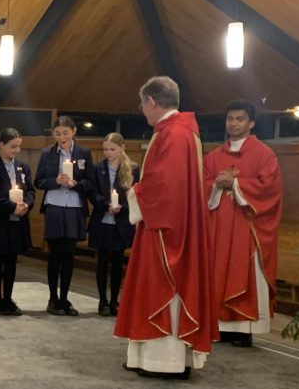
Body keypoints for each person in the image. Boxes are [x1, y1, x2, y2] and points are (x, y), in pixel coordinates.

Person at [115, 76, 215, 380]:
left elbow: (164, 186)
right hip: (176, 224)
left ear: (152, 102)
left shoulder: (173, 133)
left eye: (142, 105)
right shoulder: (182, 131)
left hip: (166, 230)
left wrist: (135, 192)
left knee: (161, 288)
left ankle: (164, 362)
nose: (143, 111)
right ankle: (152, 358)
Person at [205, 99, 283, 348]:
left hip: (246, 228)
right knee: (217, 272)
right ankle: (218, 325)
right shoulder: (214, 156)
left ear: (251, 123)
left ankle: (243, 330)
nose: (234, 123)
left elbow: (269, 189)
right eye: (230, 119)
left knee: (244, 272)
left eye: (240, 119)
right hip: (219, 227)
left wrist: (236, 184)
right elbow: (201, 184)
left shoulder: (264, 154)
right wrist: (215, 185)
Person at [34, 116, 95, 317]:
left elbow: (90, 182)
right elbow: (39, 181)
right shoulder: (47, 153)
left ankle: (65, 298)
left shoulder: (84, 153)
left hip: (74, 207)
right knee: (55, 253)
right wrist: (56, 181)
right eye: (58, 133)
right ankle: (53, 298)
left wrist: (76, 184)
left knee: (69, 254)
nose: (62, 137)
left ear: (74, 131)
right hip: (54, 205)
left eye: (65, 133)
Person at [0, 127, 35, 316]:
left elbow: (30, 191)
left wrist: (26, 204)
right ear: (1, 145)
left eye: (19, 147)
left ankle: (8, 298)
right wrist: (11, 206)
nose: (17, 150)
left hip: (18, 220)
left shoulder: (22, 167)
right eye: (13, 147)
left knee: (12, 259)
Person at [90, 133, 140, 316]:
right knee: (102, 263)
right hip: (103, 221)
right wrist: (106, 205)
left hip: (121, 222)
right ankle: (102, 301)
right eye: (105, 149)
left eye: (112, 149)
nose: (108, 153)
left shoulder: (132, 169)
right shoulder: (98, 168)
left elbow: (136, 194)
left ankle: (114, 301)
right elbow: (93, 192)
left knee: (118, 264)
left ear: (122, 148)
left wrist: (122, 207)